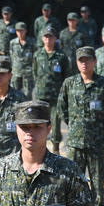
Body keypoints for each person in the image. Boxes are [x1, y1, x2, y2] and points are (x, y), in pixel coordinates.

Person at [58, 46, 104, 206]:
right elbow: (62, 109)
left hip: (97, 142)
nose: (84, 63)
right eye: (80, 60)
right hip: (75, 142)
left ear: (95, 61)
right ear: (77, 63)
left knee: (97, 181)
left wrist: (102, 128)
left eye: (87, 60)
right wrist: (75, 126)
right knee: (73, 182)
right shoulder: (69, 83)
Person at [32, 25, 69, 153]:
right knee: (40, 122)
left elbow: (66, 75)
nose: (48, 40)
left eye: (51, 37)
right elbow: (35, 73)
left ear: (55, 38)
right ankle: (40, 147)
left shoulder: (61, 56)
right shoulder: (37, 55)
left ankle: (55, 148)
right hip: (41, 94)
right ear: (42, 39)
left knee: (55, 122)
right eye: (46, 37)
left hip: (55, 95)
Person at [9, 22, 36, 97]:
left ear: (25, 31)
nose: (20, 33)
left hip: (28, 73)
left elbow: (35, 57)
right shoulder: (13, 43)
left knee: (27, 95)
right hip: (16, 72)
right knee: (13, 94)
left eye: (22, 30)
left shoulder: (32, 42)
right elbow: (11, 57)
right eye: (18, 31)